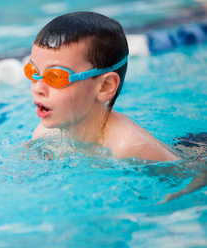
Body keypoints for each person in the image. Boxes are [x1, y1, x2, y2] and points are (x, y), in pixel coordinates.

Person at [24, 11, 180, 162]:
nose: (38, 88)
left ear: (105, 86)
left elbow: (194, 178)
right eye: (32, 72)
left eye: (56, 77)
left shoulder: (129, 147)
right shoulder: (44, 133)